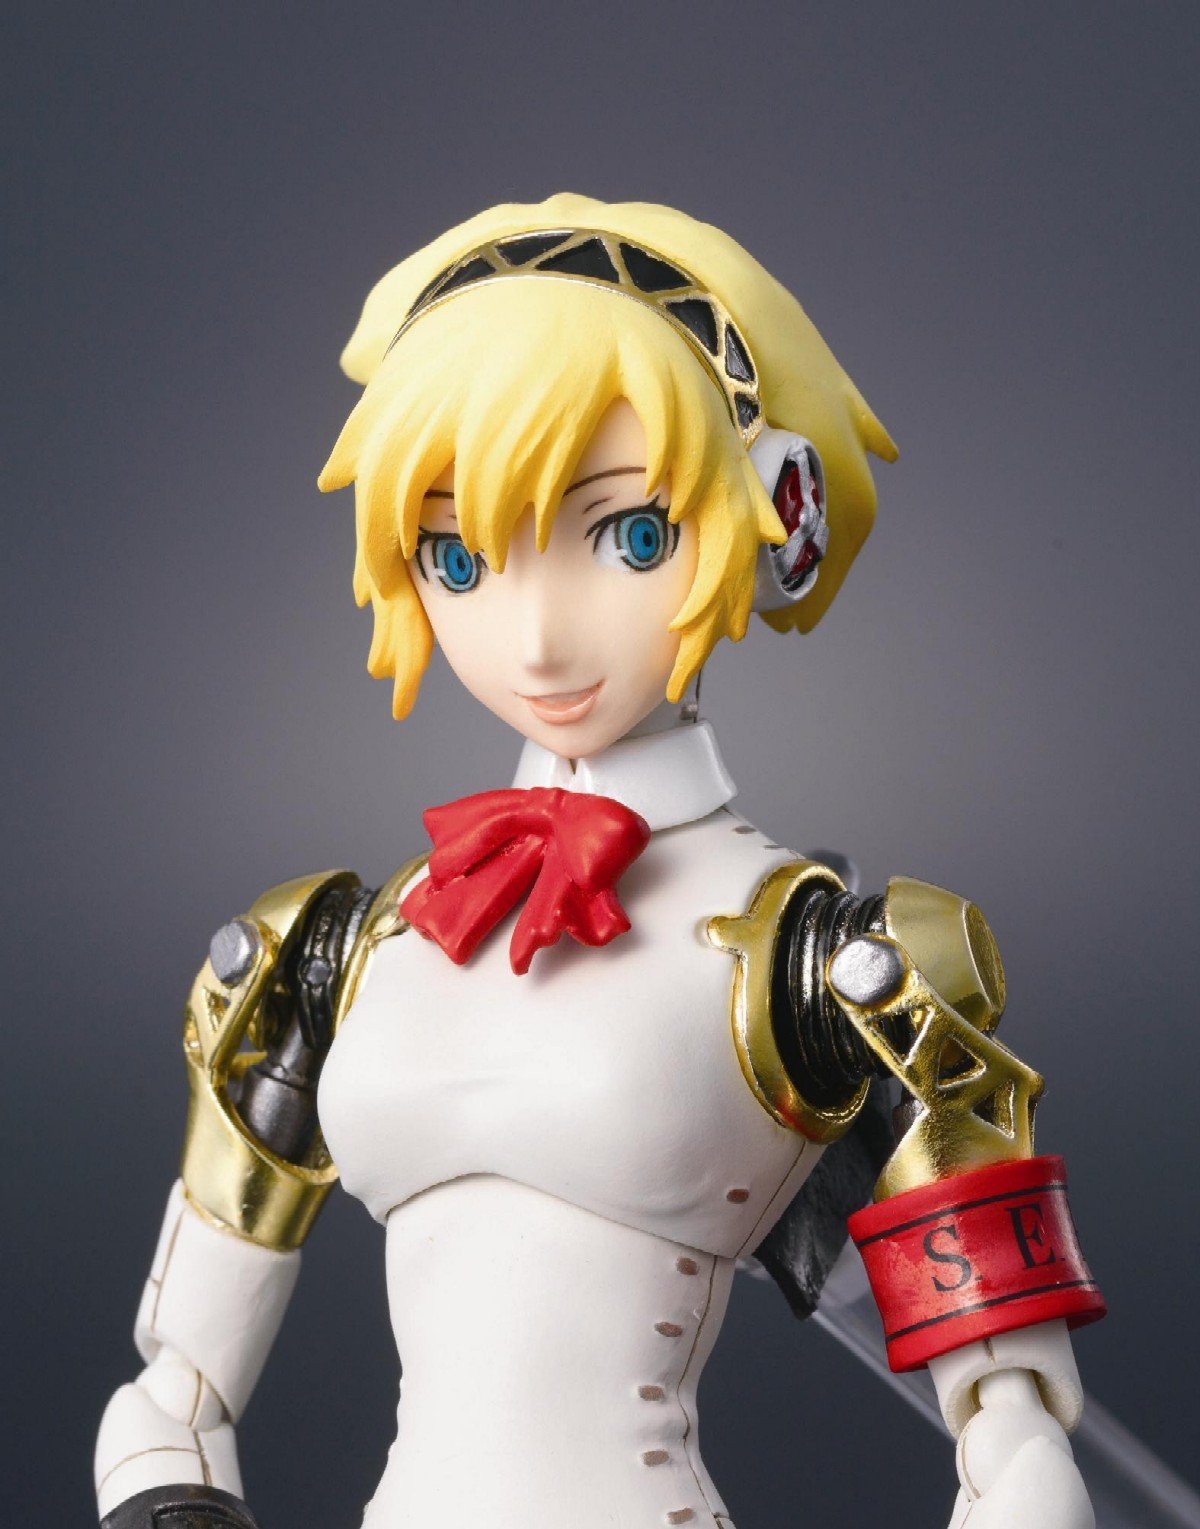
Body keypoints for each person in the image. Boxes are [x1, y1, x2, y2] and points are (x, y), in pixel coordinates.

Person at [94, 194, 1103, 1529]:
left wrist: (1024, 1473)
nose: (538, 638)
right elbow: (172, 1398)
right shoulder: (337, 951)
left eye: (630, 535)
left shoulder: (823, 964)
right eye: (458, 555)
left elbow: (1014, 1439)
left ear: (774, 512)